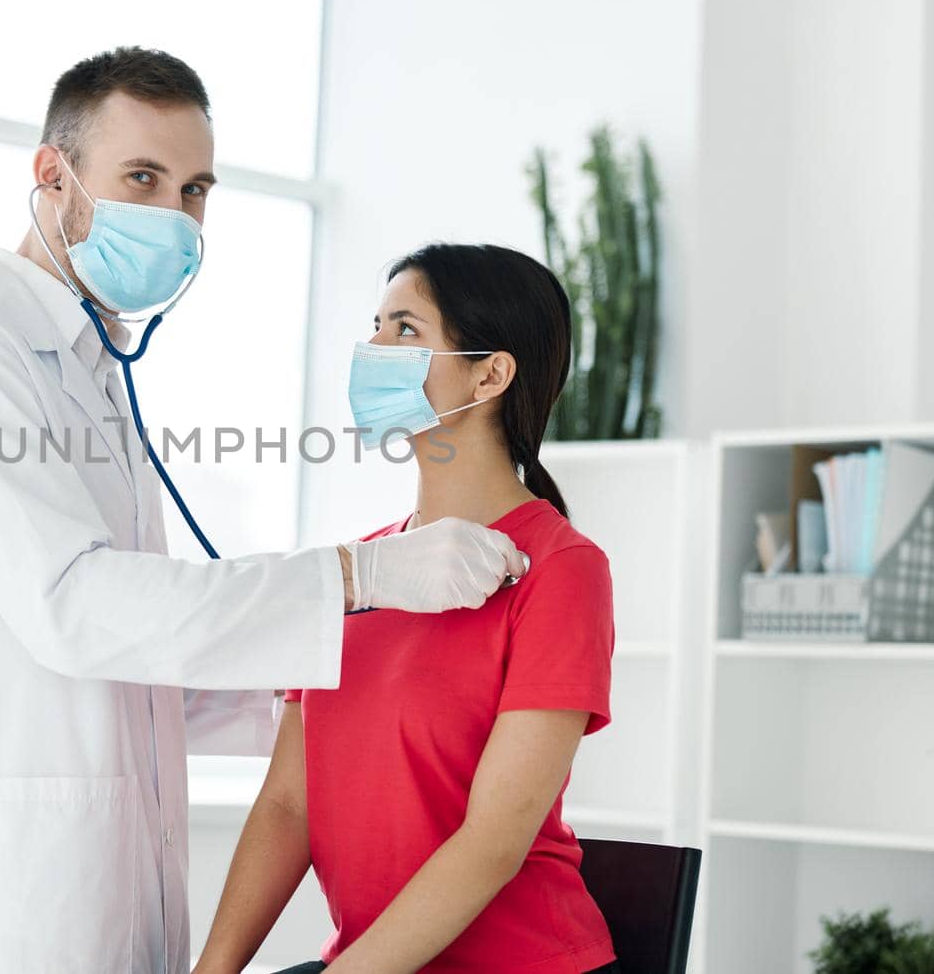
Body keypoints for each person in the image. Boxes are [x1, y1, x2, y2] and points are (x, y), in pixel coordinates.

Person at [0, 50, 528, 972]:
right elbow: (77, 607)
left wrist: (351, 688)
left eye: (195, 189)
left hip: (110, 891)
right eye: (144, 178)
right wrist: (354, 576)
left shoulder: (92, 376)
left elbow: (148, 671)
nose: (174, 216)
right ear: (52, 176)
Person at [194, 243, 620, 974]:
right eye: (376, 325)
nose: (373, 348)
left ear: (490, 372)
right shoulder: (360, 573)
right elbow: (289, 806)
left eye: (405, 330)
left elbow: (493, 839)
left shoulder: (562, 569)